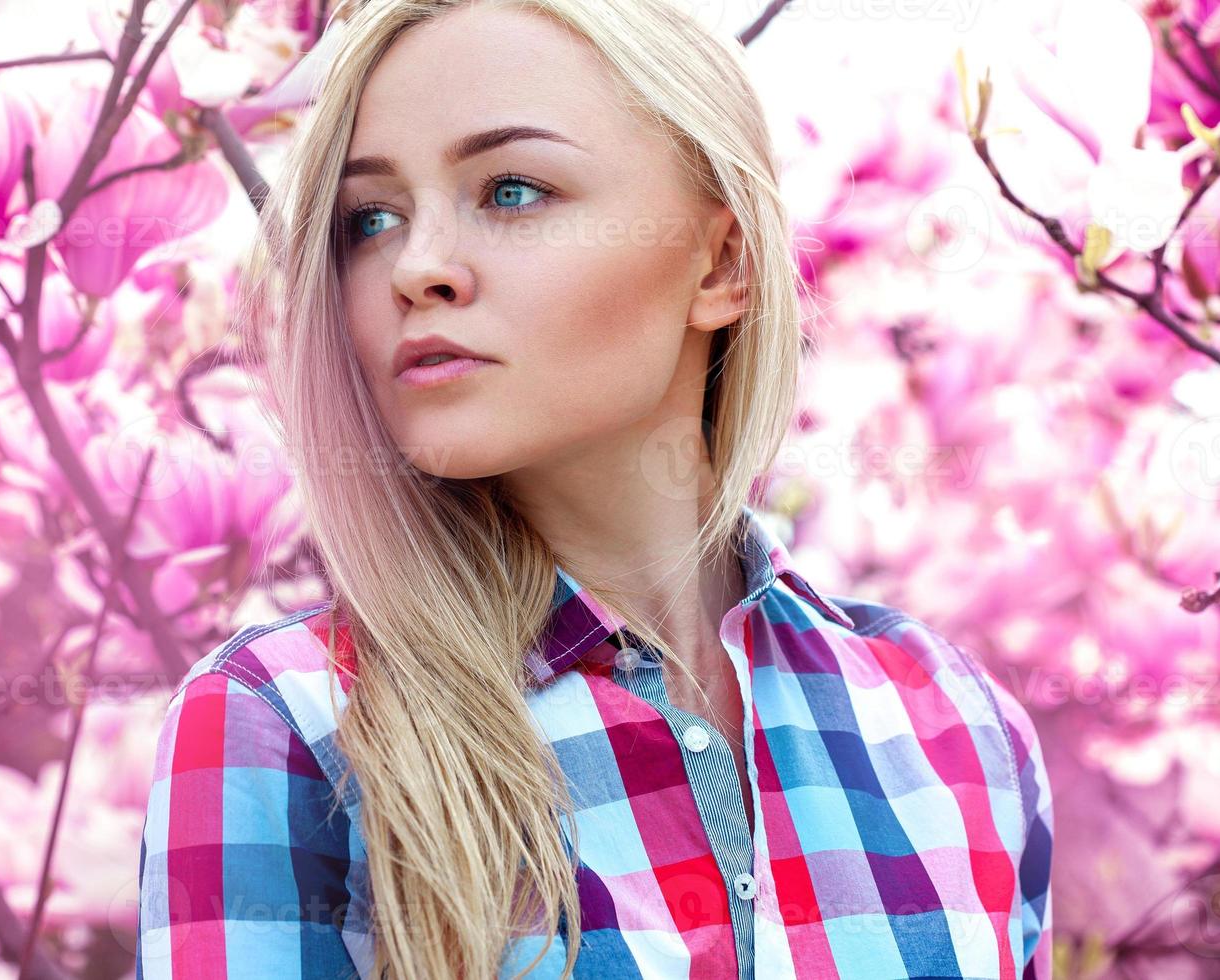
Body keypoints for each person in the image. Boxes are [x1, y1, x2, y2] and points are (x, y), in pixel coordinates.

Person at [136, 0, 1054, 977]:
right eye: (373, 218)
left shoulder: (955, 721)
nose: (417, 267)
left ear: (725, 263)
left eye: (514, 191)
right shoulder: (288, 725)